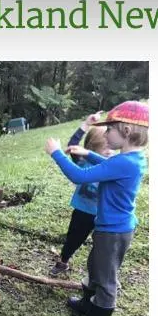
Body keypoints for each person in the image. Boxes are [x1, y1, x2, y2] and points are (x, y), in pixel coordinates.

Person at [43, 101, 149, 316]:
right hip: (112, 228)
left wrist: (56, 153)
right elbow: (110, 166)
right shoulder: (132, 159)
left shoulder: (124, 161)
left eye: (109, 129)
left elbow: (79, 176)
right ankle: (88, 303)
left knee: (105, 276)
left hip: (113, 231)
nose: (106, 134)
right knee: (95, 266)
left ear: (126, 131)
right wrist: (88, 152)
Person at [50, 113, 112, 277]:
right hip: (83, 211)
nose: (109, 151)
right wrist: (86, 124)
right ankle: (63, 261)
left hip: (103, 215)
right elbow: (72, 145)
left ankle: (104, 274)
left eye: (112, 147)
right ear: (92, 147)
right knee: (73, 238)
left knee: (103, 246)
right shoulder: (83, 162)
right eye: (105, 147)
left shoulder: (112, 165)